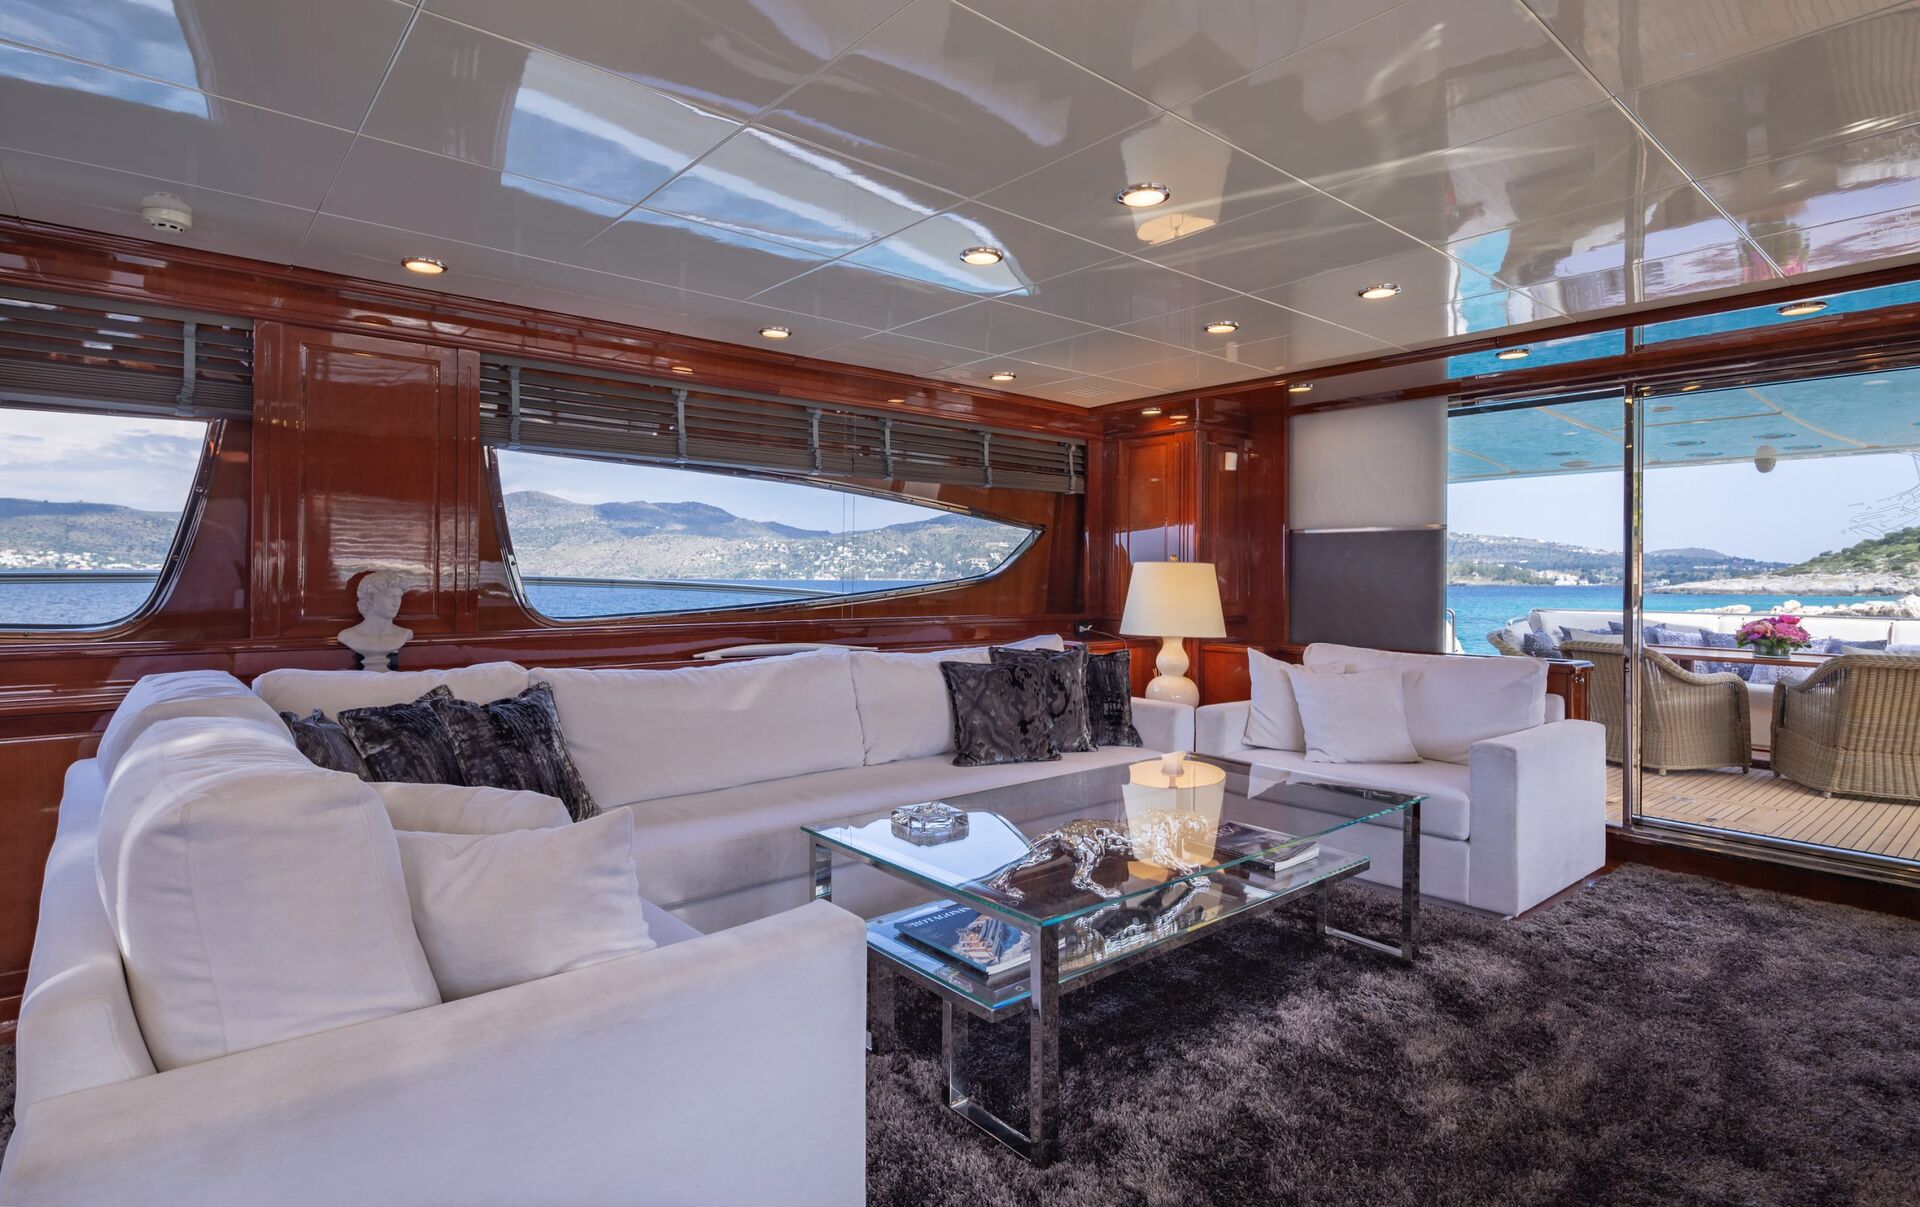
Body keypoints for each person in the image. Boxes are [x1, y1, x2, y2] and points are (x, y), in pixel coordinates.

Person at [336, 569, 413, 670]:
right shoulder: (347, 636)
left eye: (399, 597)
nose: (396, 603)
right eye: (391, 596)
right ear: (371, 597)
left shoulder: (404, 634)